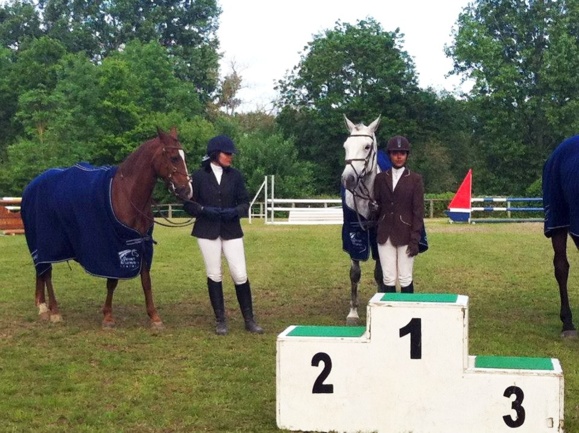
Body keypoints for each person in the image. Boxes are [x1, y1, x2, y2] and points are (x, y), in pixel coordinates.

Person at [183, 135, 263, 335]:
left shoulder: (235, 176)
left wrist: (234, 212)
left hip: (231, 229)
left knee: (240, 273)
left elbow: (245, 202)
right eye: (227, 154)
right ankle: (220, 320)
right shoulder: (199, 176)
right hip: (206, 230)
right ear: (215, 154)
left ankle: (249, 319)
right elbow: (188, 203)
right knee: (214, 273)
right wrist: (203, 210)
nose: (230, 157)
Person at [372, 135, 425, 293]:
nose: (399, 156)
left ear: (407, 155)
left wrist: (415, 239)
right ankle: (389, 314)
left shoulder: (415, 179)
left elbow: (418, 211)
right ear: (390, 155)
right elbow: (378, 204)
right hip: (385, 234)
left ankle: (408, 313)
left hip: (406, 235)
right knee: (388, 277)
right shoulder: (380, 178)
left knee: (405, 277)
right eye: (395, 153)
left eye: (402, 153)